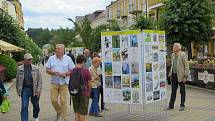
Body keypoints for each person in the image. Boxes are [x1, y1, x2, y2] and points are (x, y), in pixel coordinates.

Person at [46, 44, 75, 121]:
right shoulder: (51, 58)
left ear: (63, 50)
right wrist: (54, 72)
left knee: (63, 101)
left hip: (64, 83)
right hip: (54, 83)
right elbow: (47, 70)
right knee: (53, 100)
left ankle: (64, 118)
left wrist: (66, 74)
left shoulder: (68, 59)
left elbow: (73, 70)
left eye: (58, 49)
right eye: (56, 49)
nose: (56, 50)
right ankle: (59, 111)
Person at [16, 53, 42, 121]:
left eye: (31, 59)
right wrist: (18, 91)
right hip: (24, 89)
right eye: (29, 59)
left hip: (34, 89)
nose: (30, 60)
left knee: (36, 106)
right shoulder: (19, 68)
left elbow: (39, 80)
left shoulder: (36, 68)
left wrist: (38, 90)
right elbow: (17, 80)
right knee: (24, 106)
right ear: (24, 60)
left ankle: (35, 116)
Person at [165, 43, 189, 111]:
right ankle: (171, 105)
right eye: (173, 47)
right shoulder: (172, 55)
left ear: (179, 48)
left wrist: (185, 76)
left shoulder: (183, 54)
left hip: (181, 76)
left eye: (175, 47)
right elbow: (172, 65)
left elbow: (186, 66)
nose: (173, 48)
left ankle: (182, 105)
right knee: (173, 91)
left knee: (182, 91)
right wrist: (170, 74)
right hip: (174, 75)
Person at [71, 55, 91, 121]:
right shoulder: (85, 70)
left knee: (76, 113)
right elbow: (89, 83)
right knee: (82, 113)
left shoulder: (72, 70)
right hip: (84, 93)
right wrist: (89, 91)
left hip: (74, 93)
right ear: (82, 62)